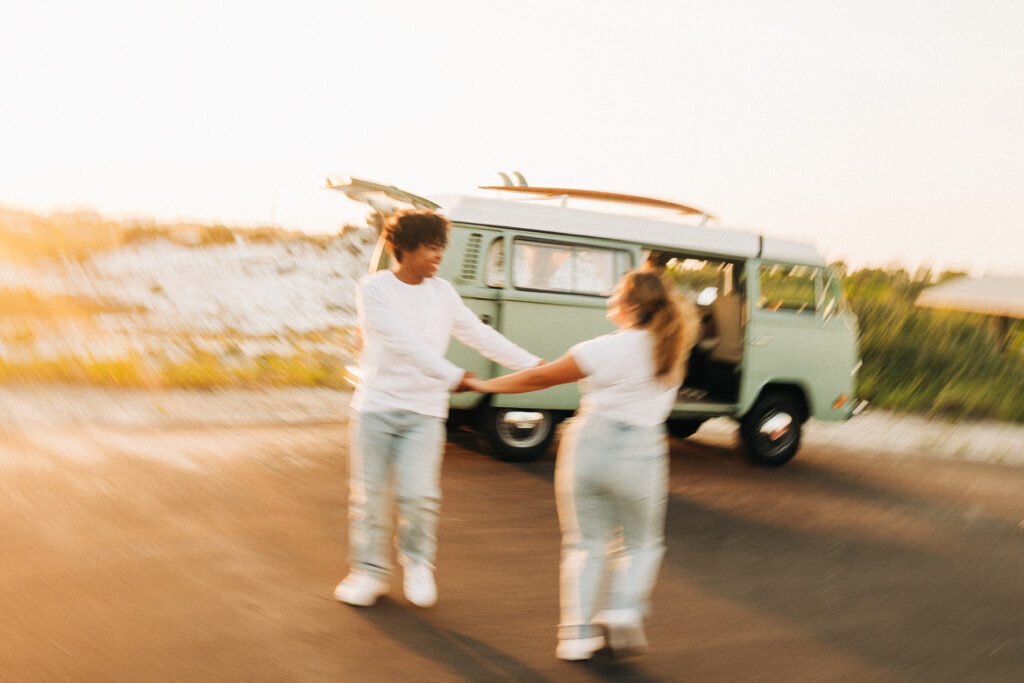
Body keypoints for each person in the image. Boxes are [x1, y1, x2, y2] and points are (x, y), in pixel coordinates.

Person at [464, 270, 690, 660]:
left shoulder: (601, 348)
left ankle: (577, 636)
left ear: (632, 305)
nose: (611, 295)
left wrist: (483, 386)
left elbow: (538, 379)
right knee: (641, 542)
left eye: (617, 291)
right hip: (642, 450)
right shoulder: (671, 350)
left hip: (590, 443)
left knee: (586, 544)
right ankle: (622, 608)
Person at [335, 209, 542, 609]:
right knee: (370, 497)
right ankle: (368, 573)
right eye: (432, 248)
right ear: (407, 248)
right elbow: (401, 342)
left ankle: (417, 564)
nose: (439, 256)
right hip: (376, 407)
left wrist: (533, 364)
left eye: (440, 249)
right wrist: (452, 375)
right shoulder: (374, 289)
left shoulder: (442, 292)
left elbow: (479, 334)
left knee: (418, 496)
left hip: (424, 412)